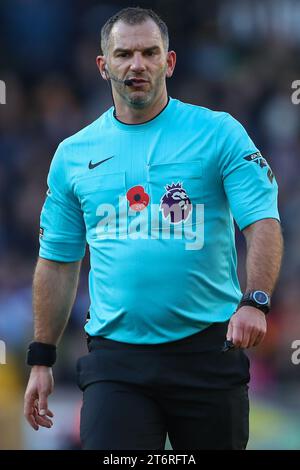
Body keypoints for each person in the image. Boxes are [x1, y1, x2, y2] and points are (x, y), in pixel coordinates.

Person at [24, 7, 283, 450]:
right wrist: (42, 358)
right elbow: (58, 261)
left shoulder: (220, 134)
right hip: (117, 361)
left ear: (170, 62)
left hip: (208, 353)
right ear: (104, 66)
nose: (137, 65)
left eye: (150, 52)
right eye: (124, 54)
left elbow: (262, 222)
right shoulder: (73, 154)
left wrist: (255, 300)